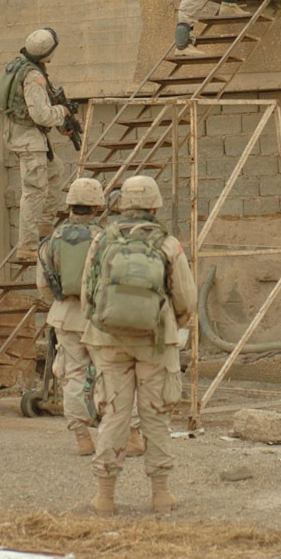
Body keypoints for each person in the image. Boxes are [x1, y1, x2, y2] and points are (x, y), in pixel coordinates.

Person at [81, 175, 197, 516]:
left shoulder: (101, 241)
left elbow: (88, 293)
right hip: (156, 342)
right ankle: (160, 494)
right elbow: (186, 300)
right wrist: (168, 322)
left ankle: (105, 497)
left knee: (114, 416)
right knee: (156, 415)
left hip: (108, 339)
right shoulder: (168, 244)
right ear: (154, 205)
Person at [38, 177, 145, 459]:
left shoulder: (53, 240)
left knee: (72, 378)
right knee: (116, 376)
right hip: (100, 318)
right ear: (98, 206)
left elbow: (43, 285)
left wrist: (60, 305)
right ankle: (132, 436)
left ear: (70, 205)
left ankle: (83, 439)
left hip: (65, 316)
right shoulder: (106, 237)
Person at [0, 28, 71, 262]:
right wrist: (62, 112)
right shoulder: (33, 77)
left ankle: (44, 226)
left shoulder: (20, 65)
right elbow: (41, 115)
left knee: (56, 171)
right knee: (34, 191)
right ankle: (27, 246)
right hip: (28, 140)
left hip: (27, 136)